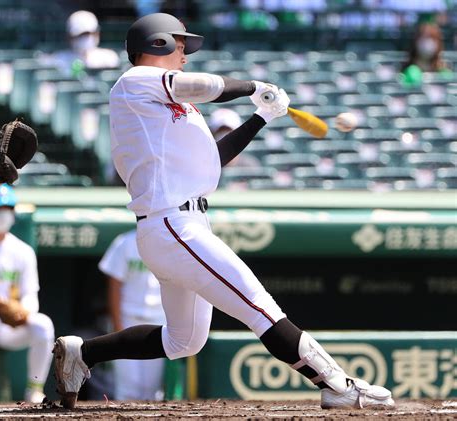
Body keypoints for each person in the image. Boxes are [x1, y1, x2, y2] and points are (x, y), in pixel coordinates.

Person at [53, 12, 395, 410]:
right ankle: (338, 384)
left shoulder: (170, 106)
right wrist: (253, 86)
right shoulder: (135, 80)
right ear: (158, 43)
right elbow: (203, 86)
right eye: (180, 45)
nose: (185, 54)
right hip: (172, 222)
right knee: (259, 305)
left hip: (184, 222)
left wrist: (259, 118)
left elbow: (211, 160)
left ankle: (83, 353)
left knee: (183, 341)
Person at [0, 185, 54, 403]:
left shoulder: (23, 251)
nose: (3, 214)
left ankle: (34, 389)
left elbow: (31, 293)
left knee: (43, 324)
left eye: (8, 208)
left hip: (13, 324)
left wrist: (23, 312)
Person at [99, 230, 166, 401]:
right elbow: (114, 286)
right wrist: (117, 325)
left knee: (151, 388)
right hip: (128, 318)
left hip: (159, 319)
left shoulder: (169, 242)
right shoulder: (125, 242)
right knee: (128, 386)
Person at [47, 10, 120, 78]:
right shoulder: (58, 60)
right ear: (69, 37)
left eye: (89, 33)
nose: (87, 38)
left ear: (97, 33)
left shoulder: (109, 58)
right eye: (81, 35)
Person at [400, 21, 452, 87]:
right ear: (416, 41)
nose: (426, 42)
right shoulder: (409, 72)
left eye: (431, 38)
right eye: (423, 38)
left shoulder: (444, 73)